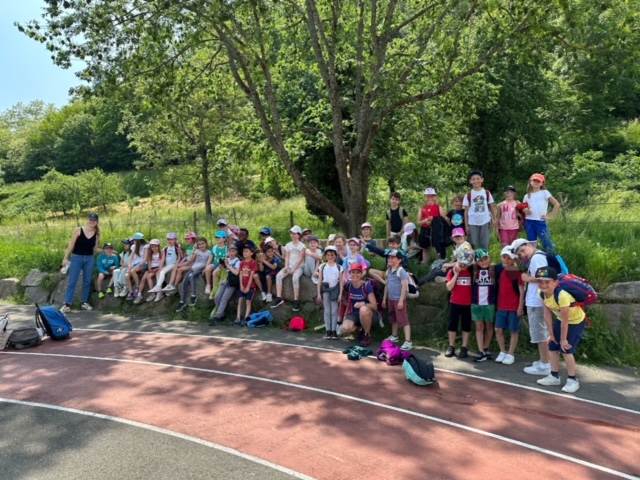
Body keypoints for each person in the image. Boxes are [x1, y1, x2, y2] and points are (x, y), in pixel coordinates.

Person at [535, 266, 586, 394]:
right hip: (561, 319)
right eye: (540, 281)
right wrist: (551, 335)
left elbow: (565, 320)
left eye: (547, 281)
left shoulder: (562, 295)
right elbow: (547, 314)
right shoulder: (541, 293)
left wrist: (563, 339)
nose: (543, 285)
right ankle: (554, 376)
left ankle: (572, 380)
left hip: (575, 321)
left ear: (555, 283)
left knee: (566, 349)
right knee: (552, 345)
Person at [511, 238, 551, 376]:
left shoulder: (536, 258)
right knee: (541, 332)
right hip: (537, 300)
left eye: (522, 250)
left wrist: (528, 279)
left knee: (540, 334)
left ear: (529, 245)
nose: (522, 255)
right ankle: (544, 361)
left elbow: (545, 277)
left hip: (537, 301)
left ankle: (545, 365)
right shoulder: (538, 257)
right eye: (520, 254)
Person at [60, 213, 102, 312]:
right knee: (72, 282)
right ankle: (67, 304)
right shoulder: (78, 230)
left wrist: (106, 250)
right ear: (87, 220)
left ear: (96, 222)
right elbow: (71, 245)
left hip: (89, 259)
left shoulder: (96, 234)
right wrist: (65, 258)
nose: (92, 222)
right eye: (90, 220)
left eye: (94, 220)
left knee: (87, 282)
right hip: (76, 258)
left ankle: (84, 302)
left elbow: (95, 249)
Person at [494, 246, 524, 365]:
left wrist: (520, 307)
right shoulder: (499, 270)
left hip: (514, 306)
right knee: (498, 329)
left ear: (514, 260)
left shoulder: (516, 273)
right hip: (501, 306)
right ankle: (502, 351)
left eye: (509, 258)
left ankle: (511, 354)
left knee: (513, 330)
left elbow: (522, 291)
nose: (506, 260)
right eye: (504, 257)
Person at [444, 249, 474, 358]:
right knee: (452, 325)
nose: (464, 266)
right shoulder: (452, 271)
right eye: (462, 263)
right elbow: (449, 287)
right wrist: (456, 274)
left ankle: (464, 347)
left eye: (466, 264)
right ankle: (451, 346)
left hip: (468, 303)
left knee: (466, 326)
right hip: (455, 302)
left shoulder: (471, 271)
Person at [341, 263, 378, 347]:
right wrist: (344, 300)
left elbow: (374, 306)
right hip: (354, 314)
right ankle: (360, 328)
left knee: (363, 309)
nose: (355, 275)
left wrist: (363, 304)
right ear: (349, 274)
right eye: (353, 272)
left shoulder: (366, 286)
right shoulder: (348, 285)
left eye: (358, 272)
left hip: (370, 315)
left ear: (361, 274)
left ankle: (367, 335)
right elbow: (343, 294)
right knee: (345, 328)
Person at [522, 173, 560, 253]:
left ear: (542, 183)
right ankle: (533, 259)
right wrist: (525, 210)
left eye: (538, 181)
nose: (535, 182)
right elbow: (523, 207)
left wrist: (551, 216)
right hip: (529, 221)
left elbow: (556, 204)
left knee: (546, 242)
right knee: (532, 243)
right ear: (530, 182)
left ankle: (551, 259)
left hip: (540, 221)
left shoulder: (545, 192)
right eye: (534, 180)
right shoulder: (526, 196)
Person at [382, 250, 412, 351]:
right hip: (391, 299)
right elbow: (387, 285)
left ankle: (408, 341)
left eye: (392, 258)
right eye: (389, 258)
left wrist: (401, 300)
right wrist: (384, 299)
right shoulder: (388, 271)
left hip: (399, 300)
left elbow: (404, 286)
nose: (390, 259)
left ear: (399, 260)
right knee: (393, 317)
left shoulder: (401, 271)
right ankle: (394, 335)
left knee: (403, 319)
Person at [271, 225, 306, 311]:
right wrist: (286, 266)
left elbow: (301, 258)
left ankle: (296, 300)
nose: (292, 235)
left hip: (299, 267)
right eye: (291, 233)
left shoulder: (302, 246)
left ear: (299, 235)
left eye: (294, 234)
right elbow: (287, 257)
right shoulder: (288, 245)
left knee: (295, 278)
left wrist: (294, 269)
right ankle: (279, 297)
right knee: (278, 276)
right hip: (289, 266)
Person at [471, 249, 496, 362]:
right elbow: (461, 263)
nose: (484, 262)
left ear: (489, 258)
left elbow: (512, 267)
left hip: (490, 303)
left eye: (485, 258)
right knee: (479, 327)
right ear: (476, 261)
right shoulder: (473, 270)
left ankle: (486, 348)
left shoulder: (494, 269)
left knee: (489, 326)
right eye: (480, 260)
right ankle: (481, 351)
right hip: (476, 303)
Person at [463, 170, 496, 251]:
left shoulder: (486, 193)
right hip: (472, 222)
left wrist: (495, 219)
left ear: (482, 180)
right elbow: (466, 211)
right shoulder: (468, 195)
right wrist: (466, 225)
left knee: (485, 243)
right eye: (473, 179)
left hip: (485, 221)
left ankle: (485, 261)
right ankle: (473, 261)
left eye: (478, 178)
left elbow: (491, 206)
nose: (476, 181)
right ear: (470, 181)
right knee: (472, 244)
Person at [176, 237, 212, 312]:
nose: (201, 245)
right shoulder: (197, 251)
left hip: (200, 268)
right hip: (193, 267)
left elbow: (207, 264)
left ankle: (193, 296)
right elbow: (191, 260)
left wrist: (200, 268)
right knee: (184, 283)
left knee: (191, 276)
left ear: (206, 244)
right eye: (199, 244)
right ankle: (182, 302)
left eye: (203, 244)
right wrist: (181, 264)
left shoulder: (209, 252)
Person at [209, 245, 241, 326]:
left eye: (233, 251)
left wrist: (228, 265)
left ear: (236, 252)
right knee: (217, 297)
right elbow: (220, 271)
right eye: (230, 251)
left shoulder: (238, 262)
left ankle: (217, 316)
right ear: (227, 252)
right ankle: (222, 314)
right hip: (224, 281)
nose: (231, 253)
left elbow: (236, 273)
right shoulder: (227, 260)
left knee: (224, 298)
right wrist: (221, 266)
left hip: (232, 282)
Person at [316, 246, 343, 339]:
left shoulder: (339, 267)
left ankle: (334, 330)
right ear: (325, 256)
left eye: (332, 255)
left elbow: (341, 282)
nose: (330, 257)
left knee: (334, 311)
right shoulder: (322, 266)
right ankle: (328, 330)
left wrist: (340, 294)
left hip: (335, 291)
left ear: (335, 256)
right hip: (325, 291)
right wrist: (319, 293)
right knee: (327, 311)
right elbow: (320, 280)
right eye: (328, 255)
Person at [417, 187, 449, 263]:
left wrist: (434, 219)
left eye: (432, 196)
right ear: (425, 198)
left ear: (435, 197)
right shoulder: (422, 209)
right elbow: (418, 222)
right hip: (425, 229)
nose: (430, 198)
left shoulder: (438, 207)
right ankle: (425, 263)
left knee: (437, 247)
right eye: (428, 196)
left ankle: (439, 262)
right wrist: (424, 221)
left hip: (436, 230)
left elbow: (444, 220)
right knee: (425, 248)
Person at [148, 233, 182, 302]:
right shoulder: (165, 248)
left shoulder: (177, 246)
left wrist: (177, 264)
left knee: (163, 272)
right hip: (167, 265)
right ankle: (159, 293)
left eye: (171, 239)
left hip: (173, 264)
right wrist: (160, 268)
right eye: (168, 239)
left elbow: (179, 257)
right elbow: (163, 259)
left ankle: (157, 286)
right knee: (158, 273)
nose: (169, 241)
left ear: (175, 240)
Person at [235, 246, 259, 326]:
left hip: (251, 286)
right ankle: (238, 318)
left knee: (248, 301)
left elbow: (252, 275)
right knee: (240, 300)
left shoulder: (253, 262)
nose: (245, 253)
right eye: (244, 251)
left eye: (247, 251)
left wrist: (248, 287)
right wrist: (241, 285)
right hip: (243, 285)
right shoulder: (242, 263)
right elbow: (240, 274)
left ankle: (246, 318)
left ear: (251, 253)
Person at [136, 239, 163, 304]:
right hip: (151, 268)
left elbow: (162, 263)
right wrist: (149, 268)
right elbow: (149, 262)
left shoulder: (161, 253)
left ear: (159, 247)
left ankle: (152, 293)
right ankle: (139, 294)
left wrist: (156, 269)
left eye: (156, 246)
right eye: (152, 246)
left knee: (148, 276)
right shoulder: (150, 254)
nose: (154, 248)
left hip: (157, 268)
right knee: (143, 280)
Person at [204, 231, 228, 295]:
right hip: (215, 264)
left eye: (219, 237)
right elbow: (210, 258)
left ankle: (216, 290)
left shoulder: (226, 248)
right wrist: (206, 266)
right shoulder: (214, 248)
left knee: (217, 272)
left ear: (224, 239)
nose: (217, 238)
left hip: (222, 265)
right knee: (208, 268)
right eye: (216, 237)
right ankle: (208, 285)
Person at [126, 233, 148, 301]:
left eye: (134, 240)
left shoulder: (146, 246)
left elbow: (145, 258)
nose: (133, 242)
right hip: (135, 264)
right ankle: (130, 291)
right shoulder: (133, 247)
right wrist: (130, 265)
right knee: (127, 275)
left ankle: (137, 286)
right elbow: (131, 257)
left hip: (143, 263)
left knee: (133, 271)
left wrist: (140, 264)